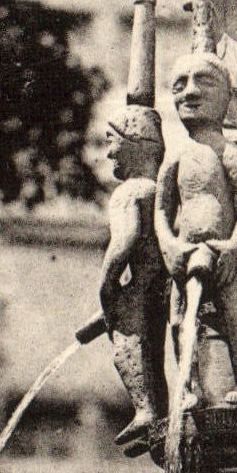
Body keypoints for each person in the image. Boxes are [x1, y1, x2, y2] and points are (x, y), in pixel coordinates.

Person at [154, 50, 237, 404]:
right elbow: (161, 207)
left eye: (204, 81)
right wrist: (168, 245)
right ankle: (188, 388)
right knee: (179, 319)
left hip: (223, 252)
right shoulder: (176, 155)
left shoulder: (227, 151)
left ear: (226, 96)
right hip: (186, 252)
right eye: (180, 84)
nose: (190, 91)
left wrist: (235, 246)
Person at [96, 104, 169, 450]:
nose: (108, 152)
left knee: (127, 344)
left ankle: (144, 412)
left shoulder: (128, 193)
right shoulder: (159, 190)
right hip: (164, 282)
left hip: (139, 284)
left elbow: (124, 240)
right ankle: (160, 426)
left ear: (133, 144)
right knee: (155, 353)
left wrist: (107, 283)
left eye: (112, 141)